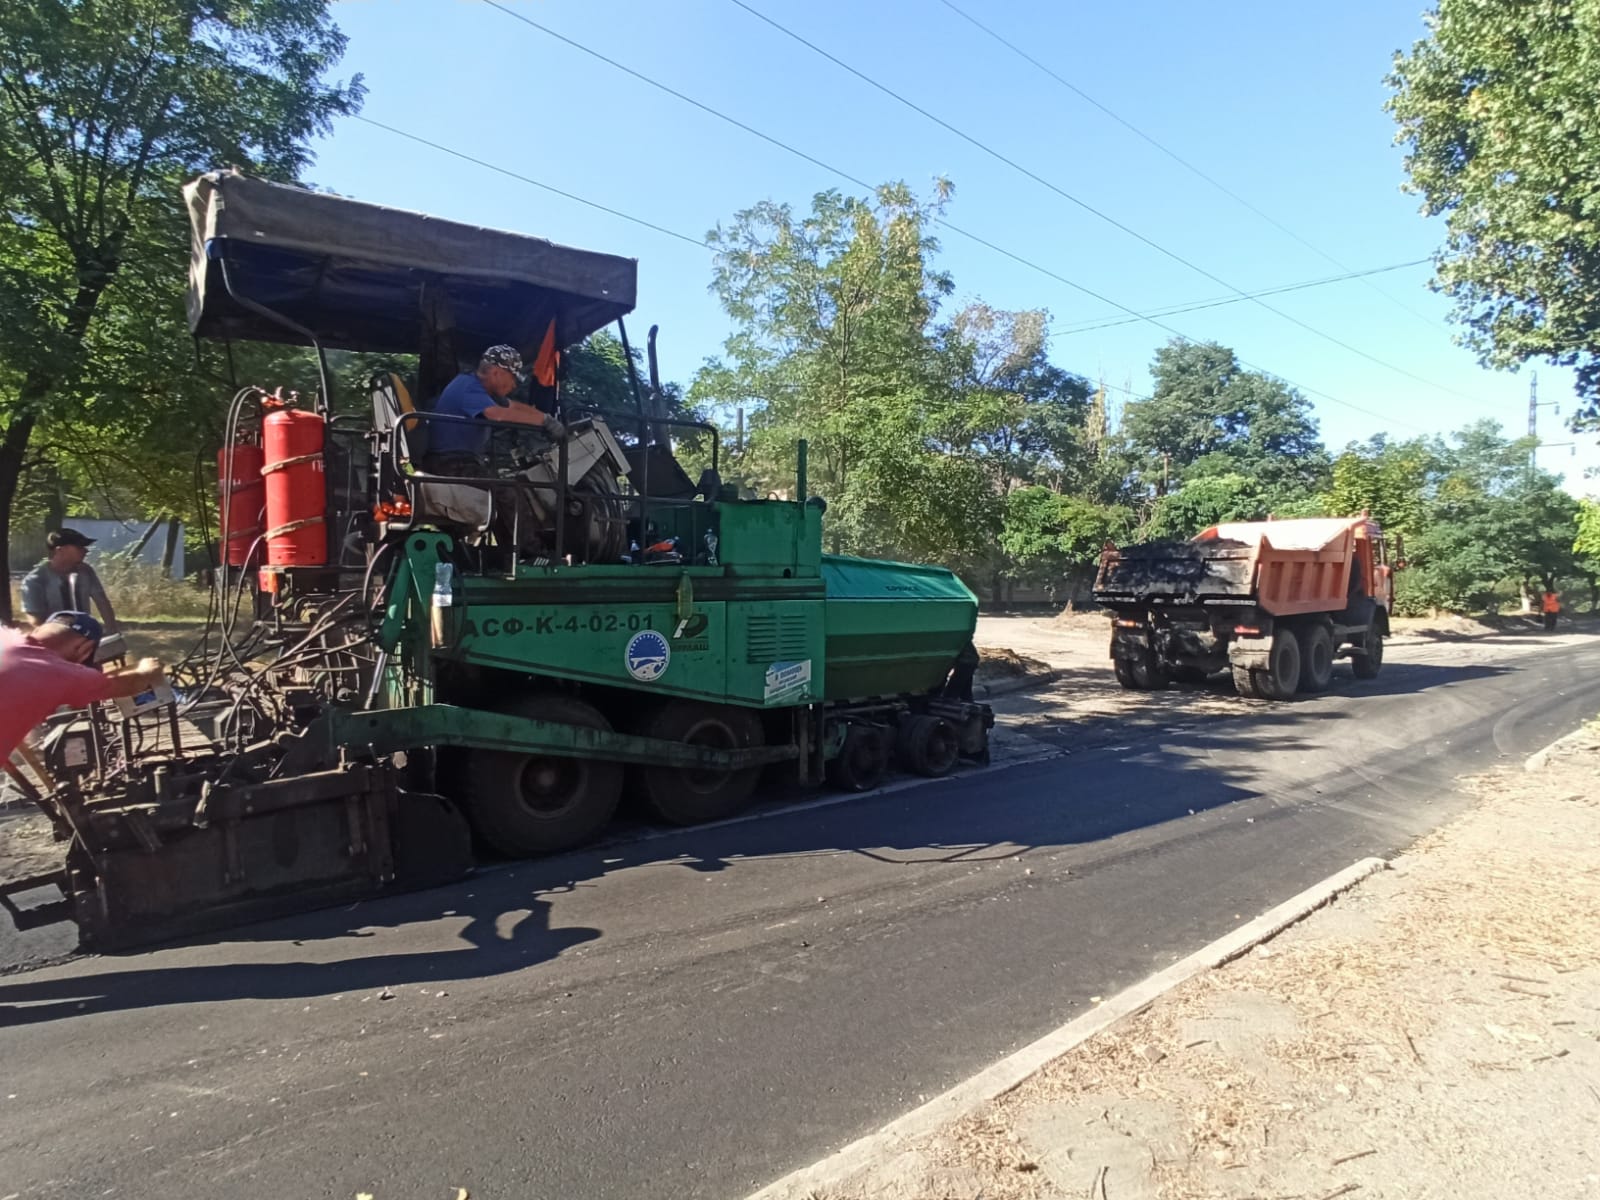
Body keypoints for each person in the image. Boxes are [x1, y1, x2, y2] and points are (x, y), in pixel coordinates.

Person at [0, 613, 164, 761]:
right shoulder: (60, 672)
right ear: (85, 649)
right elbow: (129, 684)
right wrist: (146, 668)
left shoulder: (5, 639)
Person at [420, 345, 565, 477]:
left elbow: (512, 406)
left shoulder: (478, 388)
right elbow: (498, 415)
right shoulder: (469, 387)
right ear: (497, 373)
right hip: (450, 463)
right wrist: (543, 421)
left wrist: (547, 418)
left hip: (458, 460)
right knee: (510, 498)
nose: (514, 385)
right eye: (513, 378)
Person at [20, 529, 119, 633]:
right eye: (79, 547)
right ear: (60, 550)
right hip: (53, 637)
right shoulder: (35, 580)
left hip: (84, 633)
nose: (85, 550)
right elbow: (35, 621)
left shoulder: (86, 571)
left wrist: (112, 630)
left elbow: (102, 602)